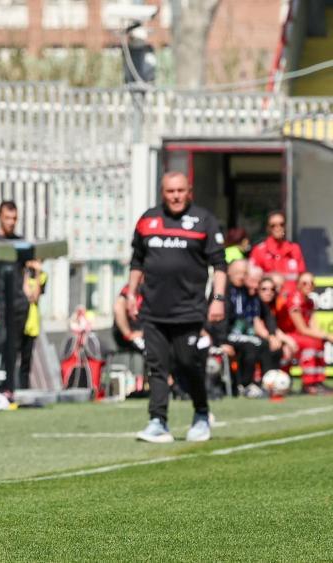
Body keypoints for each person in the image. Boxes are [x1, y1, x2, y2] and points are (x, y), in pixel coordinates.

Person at [129, 172, 227, 443]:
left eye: (180, 190)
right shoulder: (148, 220)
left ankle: (201, 414)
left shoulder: (204, 220)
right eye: (170, 191)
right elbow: (137, 261)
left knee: (187, 363)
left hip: (189, 310)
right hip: (152, 310)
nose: (175, 196)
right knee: (157, 367)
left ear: (189, 191)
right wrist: (130, 294)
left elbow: (219, 266)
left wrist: (217, 300)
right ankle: (158, 421)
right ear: (163, 192)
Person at [0, 200, 43, 396]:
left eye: (14, 218)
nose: (11, 222)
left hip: (18, 304)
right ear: (0, 217)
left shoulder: (21, 242)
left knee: (16, 349)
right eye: (8, 218)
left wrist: (32, 282)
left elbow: (29, 271)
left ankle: (12, 389)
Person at [211, 259, 269, 398]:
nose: (241, 276)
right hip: (222, 335)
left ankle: (265, 383)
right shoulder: (221, 290)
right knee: (252, 344)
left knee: (264, 344)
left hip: (238, 333)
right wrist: (221, 341)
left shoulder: (245, 291)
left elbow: (261, 314)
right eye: (238, 273)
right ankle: (245, 385)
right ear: (229, 272)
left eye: (244, 273)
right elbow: (214, 318)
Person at [275, 272, 332, 395]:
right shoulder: (295, 299)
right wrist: (327, 335)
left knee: (319, 342)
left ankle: (318, 381)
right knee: (311, 344)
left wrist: (326, 337)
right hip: (288, 334)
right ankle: (309, 384)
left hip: (298, 335)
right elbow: (302, 329)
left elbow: (313, 326)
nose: (308, 285)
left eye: (311, 283)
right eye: (304, 283)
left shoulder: (310, 301)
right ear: (298, 284)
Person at [249, 211, 305, 294]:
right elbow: (251, 279)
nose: (278, 228)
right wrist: (271, 277)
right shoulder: (259, 250)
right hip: (268, 300)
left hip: (291, 299)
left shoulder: (294, 248)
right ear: (268, 228)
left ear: (285, 226)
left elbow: (301, 275)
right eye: (273, 225)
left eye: (281, 224)